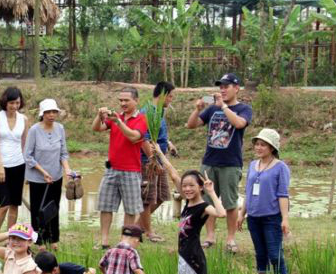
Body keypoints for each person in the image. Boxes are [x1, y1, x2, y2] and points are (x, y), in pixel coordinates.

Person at [155, 145, 227, 274]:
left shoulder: (203, 207)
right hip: (189, 257)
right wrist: (159, 153)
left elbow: (221, 213)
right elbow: (173, 174)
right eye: (185, 186)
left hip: (190, 259)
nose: (187, 189)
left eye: (191, 186)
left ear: (200, 187)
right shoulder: (188, 203)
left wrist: (211, 192)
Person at [186, 73, 253, 252]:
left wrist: (223, 106)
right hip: (209, 162)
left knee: (230, 203)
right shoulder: (211, 109)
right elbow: (191, 125)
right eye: (220, 87)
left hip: (231, 163)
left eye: (226, 86)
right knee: (207, 201)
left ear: (236, 88)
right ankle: (210, 236)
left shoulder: (243, 109)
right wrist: (197, 109)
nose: (222, 90)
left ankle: (230, 239)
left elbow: (239, 124)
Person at [92, 87, 152, 249]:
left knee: (131, 209)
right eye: (120, 100)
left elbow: (134, 137)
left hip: (131, 171)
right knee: (105, 206)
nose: (123, 103)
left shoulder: (142, 119)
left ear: (136, 101)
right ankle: (104, 240)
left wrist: (118, 121)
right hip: (112, 169)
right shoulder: (116, 117)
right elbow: (97, 128)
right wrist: (99, 116)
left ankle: (124, 241)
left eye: (126, 100)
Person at [237, 128, 290, 274]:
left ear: (272, 148)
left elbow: (283, 195)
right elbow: (248, 191)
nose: (259, 148)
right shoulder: (253, 165)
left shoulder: (280, 167)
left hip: (271, 218)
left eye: (263, 145)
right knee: (260, 253)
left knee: (275, 254)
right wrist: (241, 214)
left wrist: (285, 219)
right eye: (257, 144)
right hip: (253, 217)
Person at [23, 99, 72, 250]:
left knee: (54, 208)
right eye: (48, 112)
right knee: (38, 209)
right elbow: (28, 156)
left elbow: (63, 153)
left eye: (54, 112)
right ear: (42, 114)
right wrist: (43, 173)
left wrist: (67, 170)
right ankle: (39, 241)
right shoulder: (34, 130)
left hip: (56, 176)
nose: (51, 115)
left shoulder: (60, 128)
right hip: (38, 177)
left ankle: (53, 239)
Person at [139, 81, 177, 242]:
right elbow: (143, 139)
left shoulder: (159, 111)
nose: (171, 100)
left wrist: (168, 143)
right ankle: (148, 232)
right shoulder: (147, 112)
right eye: (170, 96)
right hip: (149, 161)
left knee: (162, 195)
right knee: (148, 199)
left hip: (160, 158)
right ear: (162, 95)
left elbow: (157, 135)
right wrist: (153, 160)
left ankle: (137, 226)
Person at [0, 86, 29, 231]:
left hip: (19, 164)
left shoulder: (23, 119)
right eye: (11, 103)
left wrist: (27, 170)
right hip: (0, 165)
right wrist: (0, 165)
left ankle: (10, 237)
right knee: (3, 204)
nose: (14, 106)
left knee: (14, 204)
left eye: (17, 103)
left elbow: (25, 144)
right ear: (5, 102)